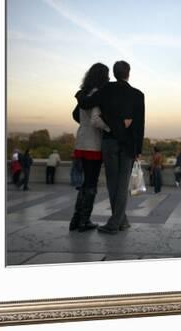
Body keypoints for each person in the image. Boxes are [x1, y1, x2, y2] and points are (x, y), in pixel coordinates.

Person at [76, 60, 145, 234]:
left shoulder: (106, 90)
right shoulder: (138, 95)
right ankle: (121, 221)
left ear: (114, 74)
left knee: (113, 185)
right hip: (129, 145)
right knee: (122, 185)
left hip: (110, 142)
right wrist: (138, 150)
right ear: (128, 73)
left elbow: (85, 104)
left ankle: (115, 223)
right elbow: (139, 125)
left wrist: (79, 94)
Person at [69, 63, 111, 232]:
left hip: (81, 142)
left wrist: (84, 125)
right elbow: (96, 119)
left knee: (84, 184)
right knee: (91, 184)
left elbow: (75, 115)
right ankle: (84, 221)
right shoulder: (97, 95)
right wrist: (109, 128)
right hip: (93, 145)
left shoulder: (84, 94)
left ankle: (76, 219)